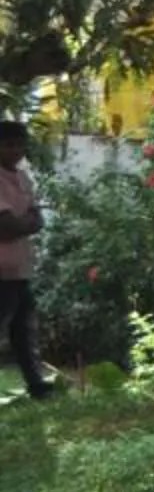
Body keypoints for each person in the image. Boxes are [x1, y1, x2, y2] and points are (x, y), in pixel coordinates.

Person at [0, 121, 52, 399]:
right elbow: (6, 227)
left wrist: (24, 223)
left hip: (20, 268)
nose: (16, 150)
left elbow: (38, 219)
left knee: (24, 330)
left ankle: (37, 385)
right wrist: (25, 223)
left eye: (20, 145)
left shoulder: (22, 178)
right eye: (8, 145)